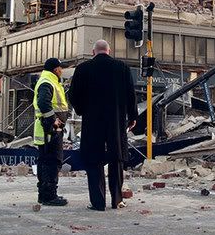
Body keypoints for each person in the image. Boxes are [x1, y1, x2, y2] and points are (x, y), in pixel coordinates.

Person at [69, 40, 138, 211]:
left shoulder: (83, 69)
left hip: (92, 122)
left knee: (94, 160)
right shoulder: (122, 68)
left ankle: (98, 202)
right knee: (116, 159)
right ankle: (117, 200)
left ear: (93, 52)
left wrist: (82, 110)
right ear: (109, 51)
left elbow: (73, 95)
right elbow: (131, 94)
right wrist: (132, 116)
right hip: (116, 121)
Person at [33, 57, 69, 206]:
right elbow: (43, 103)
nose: (62, 70)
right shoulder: (48, 82)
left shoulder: (49, 81)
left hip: (49, 128)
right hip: (50, 129)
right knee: (52, 161)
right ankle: (49, 196)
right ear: (56, 69)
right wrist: (53, 120)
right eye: (61, 68)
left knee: (46, 160)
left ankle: (45, 194)